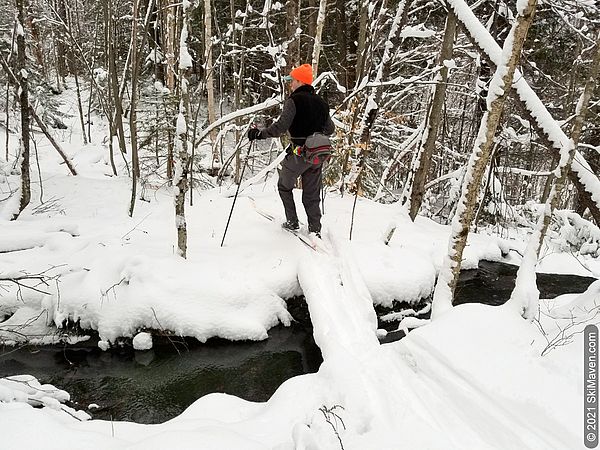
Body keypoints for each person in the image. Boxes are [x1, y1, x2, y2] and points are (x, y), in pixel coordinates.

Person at [247, 64, 335, 238]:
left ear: (300, 81)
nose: (290, 85)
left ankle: (292, 222)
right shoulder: (321, 103)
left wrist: (259, 134)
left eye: (292, 81)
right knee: (311, 194)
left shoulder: (294, 101)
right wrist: (314, 133)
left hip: (298, 155)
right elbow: (330, 129)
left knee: (284, 187)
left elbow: (280, 127)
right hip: (317, 156)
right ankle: (315, 229)